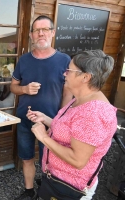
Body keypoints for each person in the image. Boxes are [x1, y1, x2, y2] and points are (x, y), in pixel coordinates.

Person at [27, 50, 117, 199]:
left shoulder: (94, 113)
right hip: (57, 181)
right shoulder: (81, 99)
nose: (64, 73)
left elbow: (78, 160)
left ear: (85, 77)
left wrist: (43, 138)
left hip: (70, 188)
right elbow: (72, 131)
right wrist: (46, 119)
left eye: (69, 70)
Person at [10, 15, 73, 200]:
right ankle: (29, 191)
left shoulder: (64, 60)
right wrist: (24, 89)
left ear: (52, 33)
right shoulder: (24, 60)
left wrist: (60, 119)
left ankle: (47, 190)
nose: (41, 33)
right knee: (27, 157)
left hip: (51, 122)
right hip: (24, 119)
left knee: (51, 160)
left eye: (45, 29)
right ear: (31, 35)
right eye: (37, 30)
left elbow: (67, 91)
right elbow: (13, 87)